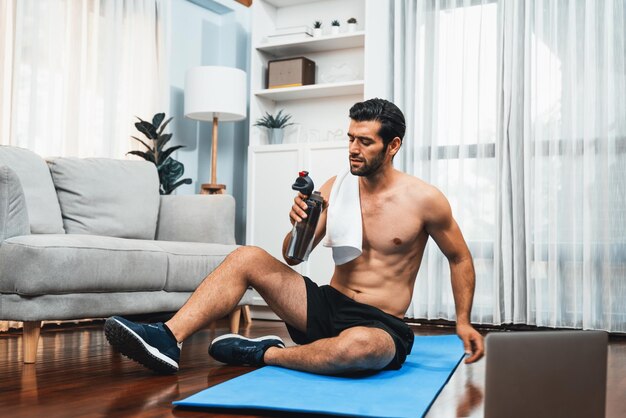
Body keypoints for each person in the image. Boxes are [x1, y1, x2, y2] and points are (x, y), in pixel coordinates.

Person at [105, 98, 484, 375]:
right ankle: (168, 338)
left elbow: (459, 258)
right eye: (350, 138)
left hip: (378, 322)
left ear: (393, 145)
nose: (353, 149)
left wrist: (463, 322)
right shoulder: (337, 188)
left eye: (365, 142)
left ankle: (266, 354)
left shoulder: (424, 200)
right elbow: (292, 257)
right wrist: (300, 226)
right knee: (247, 256)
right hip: (326, 305)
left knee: (362, 348)